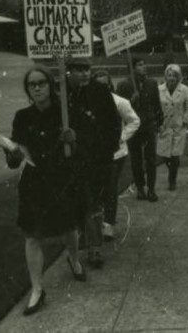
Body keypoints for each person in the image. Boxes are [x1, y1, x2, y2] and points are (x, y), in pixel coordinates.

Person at [3, 65, 85, 316]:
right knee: (32, 235)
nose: (37, 88)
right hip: (34, 184)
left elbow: (83, 152)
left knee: (68, 227)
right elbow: (14, 161)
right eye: (32, 84)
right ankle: (37, 288)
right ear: (28, 89)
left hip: (62, 181)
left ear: (51, 85)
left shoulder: (66, 114)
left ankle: (74, 259)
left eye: (41, 83)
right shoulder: (22, 117)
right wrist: (11, 151)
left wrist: (74, 140)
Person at [66, 57, 122, 269]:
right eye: (78, 70)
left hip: (97, 157)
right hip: (71, 158)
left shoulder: (100, 91)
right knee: (77, 202)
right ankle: (84, 238)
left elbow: (113, 122)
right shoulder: (62, 94)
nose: (84, 74)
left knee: (93, 201)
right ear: (68, 71)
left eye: (87, 69)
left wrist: (109, 149)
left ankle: (94, 247)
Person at [93, 70, 140, 241]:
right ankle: (95, 221)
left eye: (105, 85)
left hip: (116, 154)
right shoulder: (89, 102)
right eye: (98, 85)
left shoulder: (120, 102)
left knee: (111, 188)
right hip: (95, 154)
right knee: (96, 189)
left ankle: (108, 224)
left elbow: (134, 121)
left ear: (110, 85)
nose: (102, 88)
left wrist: (121, 138)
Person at [116, 58, 163, 202]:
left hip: (148, 125)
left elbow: (156, 105)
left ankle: (151, 190)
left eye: (144, 64)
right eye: (140, 65)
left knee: (150, 158)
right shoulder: (124, 85)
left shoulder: (152, 83)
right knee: (136, 159)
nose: (144, 67)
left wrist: (159, 122)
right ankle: (140, 189)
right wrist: (131, 100)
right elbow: (119, 109)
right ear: (132, 68)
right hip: (133, 127)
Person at [156, 64, 188, 191]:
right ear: (165, 76)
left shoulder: (184, 90)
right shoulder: (159, 89)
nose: (171, 78)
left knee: (175, 156)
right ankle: (171, 171)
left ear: (178, 78)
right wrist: (158, 123)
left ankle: (172, 179)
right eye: (169, 75)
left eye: (174, 76)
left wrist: (185, 120)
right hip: (164, 127)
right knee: (165, 155)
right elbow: (155, 107)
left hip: (178, 127)